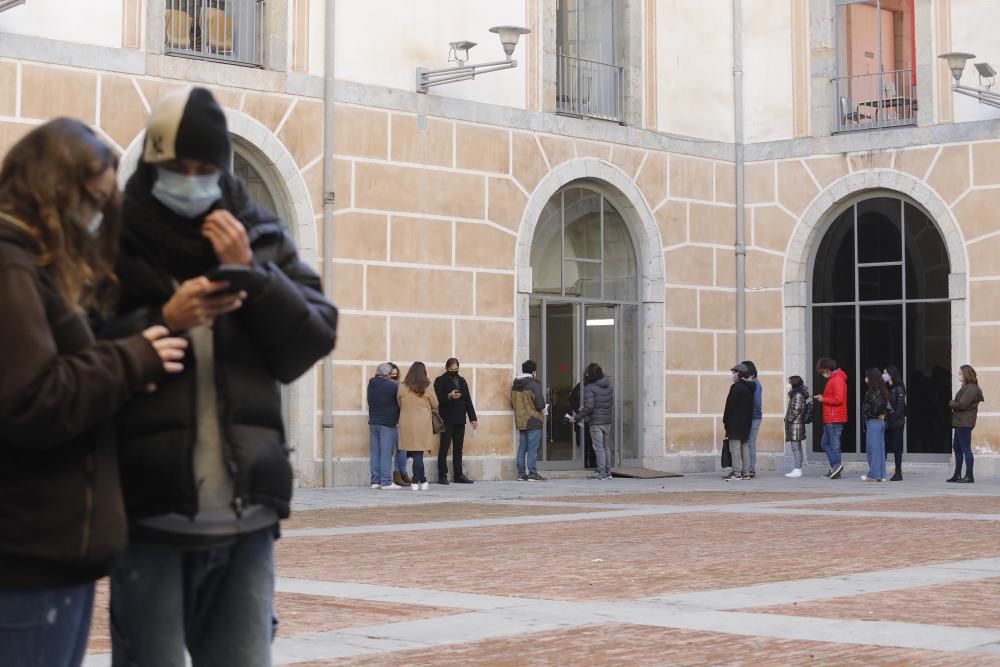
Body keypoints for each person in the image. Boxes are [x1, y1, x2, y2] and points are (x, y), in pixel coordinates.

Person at [103, 88, 338, 666]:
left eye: (203, 169)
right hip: (148, 512)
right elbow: (82, 350)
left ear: (222, 169)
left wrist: (252, 274)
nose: (190, 180)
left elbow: (312, 340)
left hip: (246, 512)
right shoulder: (113, 243)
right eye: (176, 169)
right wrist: (163, 321)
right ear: (152, 169)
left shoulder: (260, 235)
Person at [0, 119, 187, 665]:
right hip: (28, 549)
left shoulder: (31, 262)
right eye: (93, 198)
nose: (98, 213)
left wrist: (125, 365)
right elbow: (32, 398)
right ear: (55, 187)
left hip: (49, 546)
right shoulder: (11, 265)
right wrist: (130, 360)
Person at [434, 358, 477, 484]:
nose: (454, 371)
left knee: (458, 448)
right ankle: (442, 475)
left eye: (456, 369)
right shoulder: (440, 380)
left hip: (460, 419)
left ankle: (458, 475)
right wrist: (449, 396)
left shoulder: (462, 381)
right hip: (447, 419)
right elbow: (438, 398)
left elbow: (468, 400)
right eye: (452, 369)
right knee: (444, 447)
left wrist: (473, 418)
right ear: (447, 368)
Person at [398, 362, 438, 490]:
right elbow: (435, 403)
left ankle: (422, 480)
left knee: (416, 453)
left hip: (407, 423)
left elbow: (399, 402)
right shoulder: (426, 386)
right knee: (418, 454)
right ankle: (417, 481)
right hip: (422, 424)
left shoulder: (402, 386)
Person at [573, 362, 614, 480]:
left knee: (598, 447)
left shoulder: (589, 388)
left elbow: (589, 407)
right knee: (605, 447)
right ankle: (608, 472)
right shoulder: (609, 387)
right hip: (607, 421)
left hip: (596, 422)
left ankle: (601, 472)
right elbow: (609, 403)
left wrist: (576, 417)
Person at [948, 364, 984, 484]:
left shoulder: (971, 388)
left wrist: (952, 403)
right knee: (957, 448)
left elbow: (962, 404)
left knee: (965, 448)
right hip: (960, 422)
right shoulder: (966, 387)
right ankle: (957, 474)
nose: (959, 375)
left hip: (965, 422)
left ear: (966, 374)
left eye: (960, 373)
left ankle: (969, 475)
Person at [511, 360, 547, 482]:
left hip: (521, 420)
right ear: (533, 372)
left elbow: (512, 403)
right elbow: (540, 404)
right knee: (532, 448)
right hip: (533, 420)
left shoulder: (515, 385)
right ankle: (532, 474)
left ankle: (521, 474)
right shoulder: (534, 385)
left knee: (522, 448)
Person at [368, 363, 402, 490]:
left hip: (373, 422)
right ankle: (386, 482)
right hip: (387, 423)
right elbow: (400, 400)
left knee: (375, 453)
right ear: (387, 375)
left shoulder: (371, 384)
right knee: (386, 453)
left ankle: (375, 481)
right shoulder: (391, 386)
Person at [814, 357, 847, 479]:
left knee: (832, 445)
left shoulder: (837, 379)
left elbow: (839, 399)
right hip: (831, 417)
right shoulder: (834, 379)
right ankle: (835, 468)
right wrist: (823, 397)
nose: (822, 374)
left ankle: (836, 466)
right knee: (826, 443)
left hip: (834, 417)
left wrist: (823, 399)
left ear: (827, 369)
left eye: (822, 371)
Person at [723, 363, 755, 481]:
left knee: (735, 448)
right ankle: (746, 472)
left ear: (739, 373)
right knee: (744, 447)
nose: (733, 375)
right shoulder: (751, 387)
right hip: (746, 422)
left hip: (735, 422)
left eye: (734, 372)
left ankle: (737, 473)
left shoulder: (736, 387)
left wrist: (725, 419)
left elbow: (729, 405)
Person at [861, 367, 890, 482]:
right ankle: (881, 474)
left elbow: (875, 409)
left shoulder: (874, 392)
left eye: (867, 376)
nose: (866, 378)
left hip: (874, 422)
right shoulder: (881, 389)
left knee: (872, 449)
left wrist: (868, 412)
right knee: (879, 449)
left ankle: (874, 474)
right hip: (880, 421)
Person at [388, 363, 411, 487]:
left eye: (396, 375)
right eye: (392, 375)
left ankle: (402, 474)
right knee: (397, 450)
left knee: (402, 449)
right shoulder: (389, 387)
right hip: (391, 422)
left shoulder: (401, 386)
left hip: (401, 420)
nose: (394, 377)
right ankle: (399, 474)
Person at [783, 375, 810, 478]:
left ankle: (797, 469)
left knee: (795, 447)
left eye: (789, 382)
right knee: (797, 446)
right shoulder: (796, 394)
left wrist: (788, 419)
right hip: (796, 424)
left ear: (793, 383)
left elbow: (796, 409)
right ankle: (798, 468)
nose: (788, 384)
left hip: (795, 424)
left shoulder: (798, 394)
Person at [884, 366, 907, 481]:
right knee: (885, 446)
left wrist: (893, 418)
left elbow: (900, 407)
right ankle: (881, 470)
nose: (884, 375)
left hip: (897, 423)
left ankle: (898, 472)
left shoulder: (899, 388)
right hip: (888, 422)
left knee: (896, 447)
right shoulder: (888, 387)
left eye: (885, 373)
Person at [742, 360, 762, 479]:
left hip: (754, 417)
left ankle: (751, 468)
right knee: (748, 443)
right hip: (749, 417)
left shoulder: (756, 384)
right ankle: (747, 467)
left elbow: (757, 403)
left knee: (750, 443)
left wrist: (751, 415)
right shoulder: (749, 383)